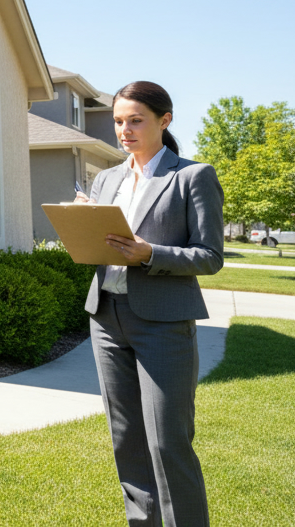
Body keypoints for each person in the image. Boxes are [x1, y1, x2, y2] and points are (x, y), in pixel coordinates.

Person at [74, 81, 223, 526]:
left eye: (135, 120)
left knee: (167, 441)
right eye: (119, 121)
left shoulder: (192, 176)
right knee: (126, 438)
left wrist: (150, 254)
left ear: (165, 120)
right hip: (106, 318)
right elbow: (101, 246)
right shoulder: (106, 178)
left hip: (163, 324)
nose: (125, 129)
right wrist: (82, 223)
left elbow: (210, 256)